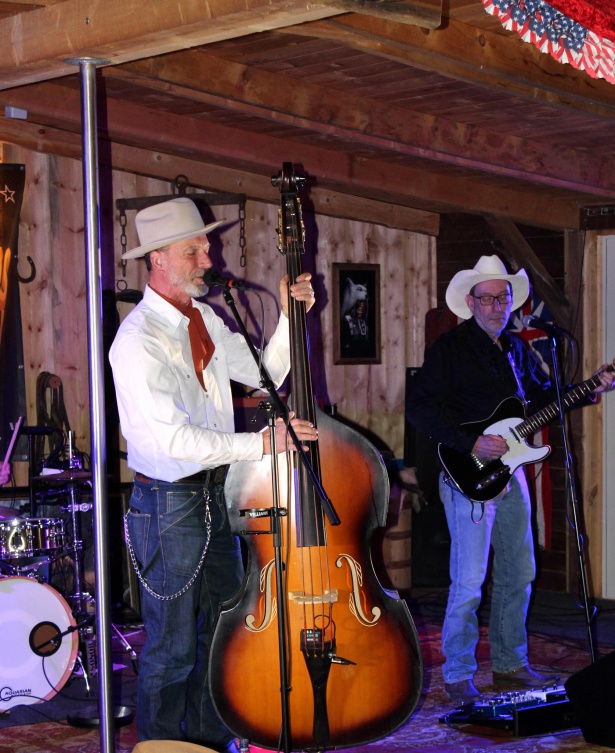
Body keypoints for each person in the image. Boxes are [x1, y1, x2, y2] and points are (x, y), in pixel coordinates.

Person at [109, 197, 318, 749]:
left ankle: (208, 742)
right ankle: (158, 747)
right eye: (194, 251)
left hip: (214, 496)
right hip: (168, 503)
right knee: (172, 648)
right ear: (157, 259)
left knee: (222, 634)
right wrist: (262, 444)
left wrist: (290, 315)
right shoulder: (138, 341)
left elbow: (266, 374)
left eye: (206, 247)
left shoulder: (203, 319)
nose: (209, 259)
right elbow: (173, 442)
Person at [406, 255, 615, 706]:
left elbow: (539, 400)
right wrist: (471, 442)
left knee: (520, 571)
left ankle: (509, 663)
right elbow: (419, 408)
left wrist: (589, 388)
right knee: (469, 580)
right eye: (488, 299)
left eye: (503, 298)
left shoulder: (515, 350)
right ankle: (459, 674)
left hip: (511, 472)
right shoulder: (449, 350)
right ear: (470, 302)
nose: (497, 307)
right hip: (466, 474)